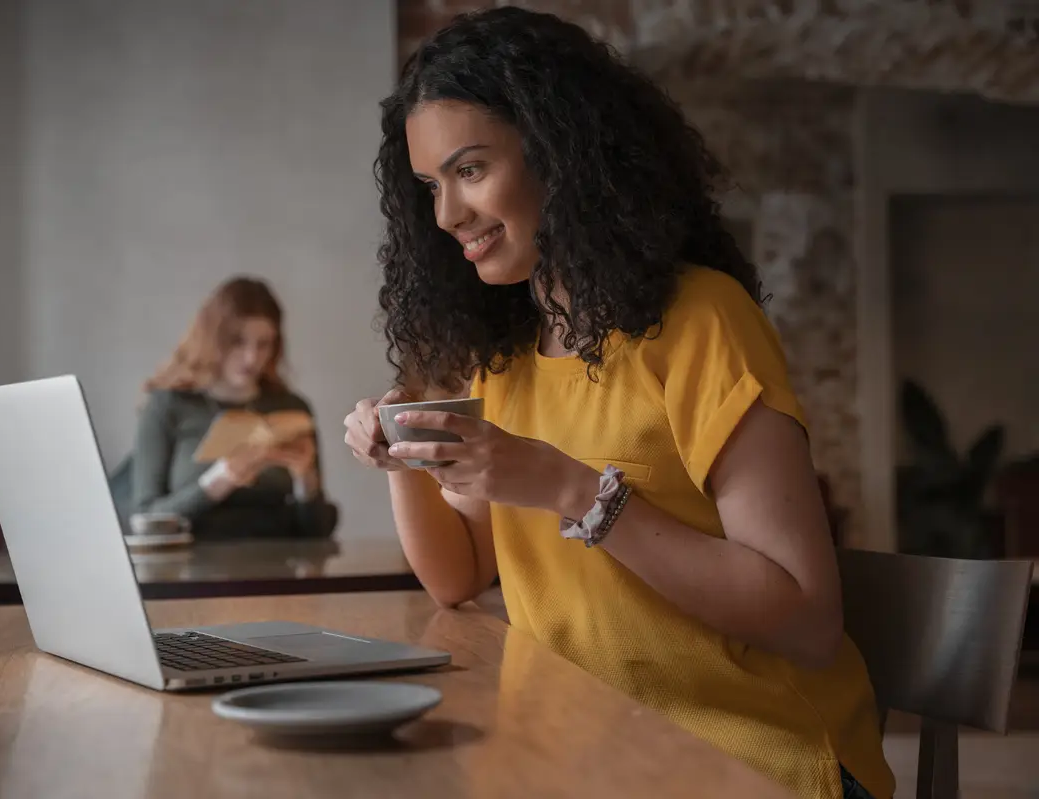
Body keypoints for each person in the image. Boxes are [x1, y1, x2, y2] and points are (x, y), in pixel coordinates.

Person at [343, 9, 892, 799]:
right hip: (583, 753)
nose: (446, 215)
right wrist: (401, 462)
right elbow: (459, 578)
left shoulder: (703, 320)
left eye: (470, 171)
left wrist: (572, 488)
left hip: (754, 759)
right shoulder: (510, 352)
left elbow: (806, 620)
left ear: (559, 152)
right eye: (431, 186)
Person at [128, 276, 334, 540]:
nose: (252, 357)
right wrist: (221, 479)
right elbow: (146, 521)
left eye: (264, 344)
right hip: (192, 568)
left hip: (278, 564)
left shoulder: (291, 407)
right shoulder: (168, 405)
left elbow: (317, 533)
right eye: (238, 342)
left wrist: (306, 479)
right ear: (213, 339)